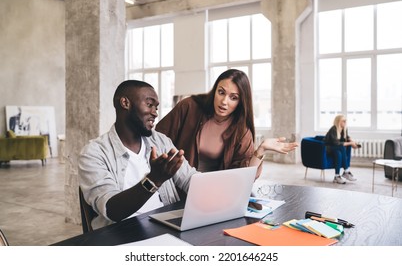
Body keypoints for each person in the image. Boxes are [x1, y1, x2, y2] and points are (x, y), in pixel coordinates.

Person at [78, 80, 199, 230]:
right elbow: (112, 210)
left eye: (156, 107)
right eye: (149, 104)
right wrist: (154, 180)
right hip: (120, 234)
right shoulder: (93, 153)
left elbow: (190, 179)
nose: (155, 113)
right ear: (125, 103)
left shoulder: (161, 141)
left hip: (164, 227)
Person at [156, 69, 298, 178]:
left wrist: (261, 150)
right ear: (215, 91)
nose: (224, 102)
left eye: (233, 97)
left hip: (216, 192)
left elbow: (244, 176)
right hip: (177, 183)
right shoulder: (189, 107)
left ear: (241, 102)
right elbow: (159, 137)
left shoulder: (241, 131)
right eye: (221, 92)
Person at [324, 114, 359, 184]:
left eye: (346, 121)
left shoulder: (344, 129)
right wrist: (350, 143)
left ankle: (337, 176)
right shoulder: (333, 129)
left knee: (338, 154)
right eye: (343, 121)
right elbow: (337, 143)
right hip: (327, 148)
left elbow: (346, 139)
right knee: (341, 147)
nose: (345, 122)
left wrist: (353, 143)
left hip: (336, 149)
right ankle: (346, 171)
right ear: (338, 121)